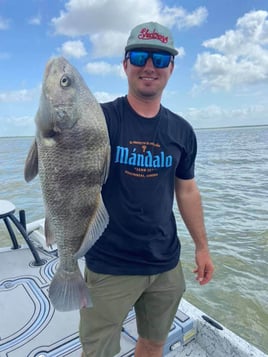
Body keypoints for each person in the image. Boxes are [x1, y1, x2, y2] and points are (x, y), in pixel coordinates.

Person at [79, 21, 214, 357]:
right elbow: (69, 169)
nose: (149, 66)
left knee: (154, 342)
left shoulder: (182, 131)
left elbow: (187, 191)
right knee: (97, 351)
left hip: (165, 264)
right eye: (140, 56)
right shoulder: (100, 119)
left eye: (159, 58)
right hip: (109, 263)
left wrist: (201, 247)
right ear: (125, 64)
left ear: (171, 67)